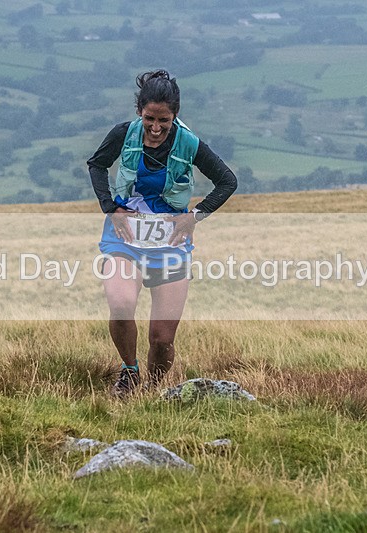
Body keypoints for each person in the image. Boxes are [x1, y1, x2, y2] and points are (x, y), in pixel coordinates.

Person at [87, 69, 237, 397]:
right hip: (125, 238)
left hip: (171, 242)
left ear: (175, 117)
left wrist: (193, 218)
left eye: (164, 121)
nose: (155, 128)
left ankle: (152, 391)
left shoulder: (191, 143)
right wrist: (110, 207)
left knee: (162, 338)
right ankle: (129, 372)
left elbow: (228, 181)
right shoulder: (122, 134)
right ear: (139, 111)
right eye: (149, 119)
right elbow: (97, 165)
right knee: (121, 303)